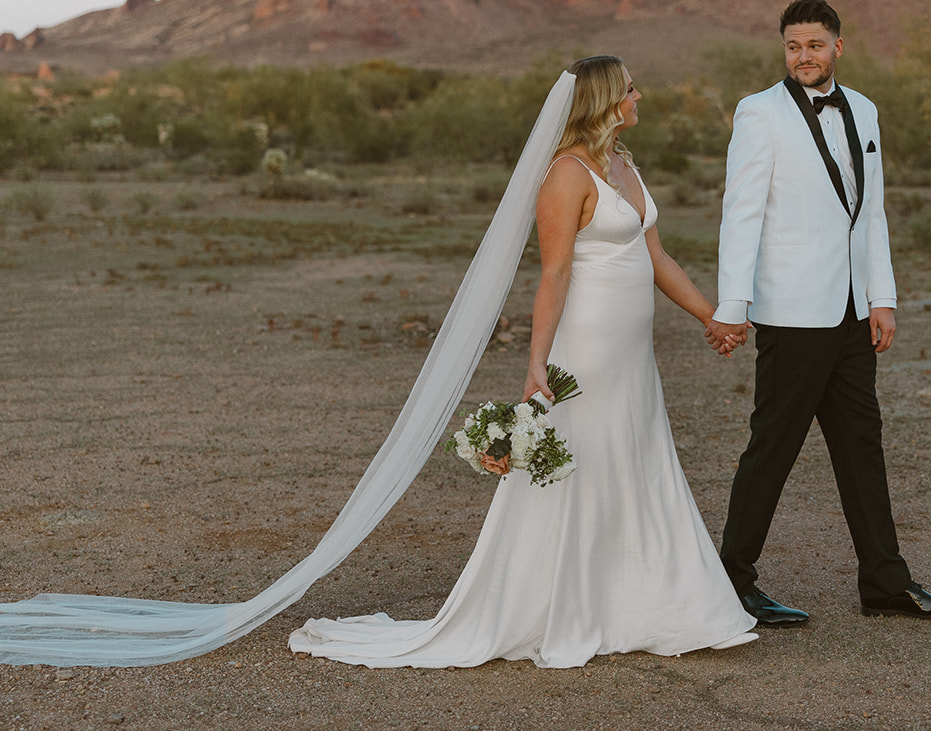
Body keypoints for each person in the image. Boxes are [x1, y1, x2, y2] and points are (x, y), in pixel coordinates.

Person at [289, 56, 757, 667]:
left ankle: (643, 601)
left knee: (635, 458)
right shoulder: (566, 174)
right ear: (605, 100)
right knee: (583, 463)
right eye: (629, 88)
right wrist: (538, 363)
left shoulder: (623, 163)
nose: (639, 95)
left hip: (632, 354)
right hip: (587, 349)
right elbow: (554, 274)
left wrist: (711, 317)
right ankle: (566, 605)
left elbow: (657, 257)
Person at [704, 0, 931, 625]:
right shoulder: (759, 112)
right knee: (773, 447)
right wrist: (733, 305)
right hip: (791, 311)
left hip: (851, 312)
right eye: (793, 46)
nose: (803, 56)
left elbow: (870, 212)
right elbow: (740, 214)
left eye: (814, 45)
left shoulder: (866, 110)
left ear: (837, 48)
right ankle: (730, 584)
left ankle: (884, 582)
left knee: (861, 446)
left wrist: (882, 297)